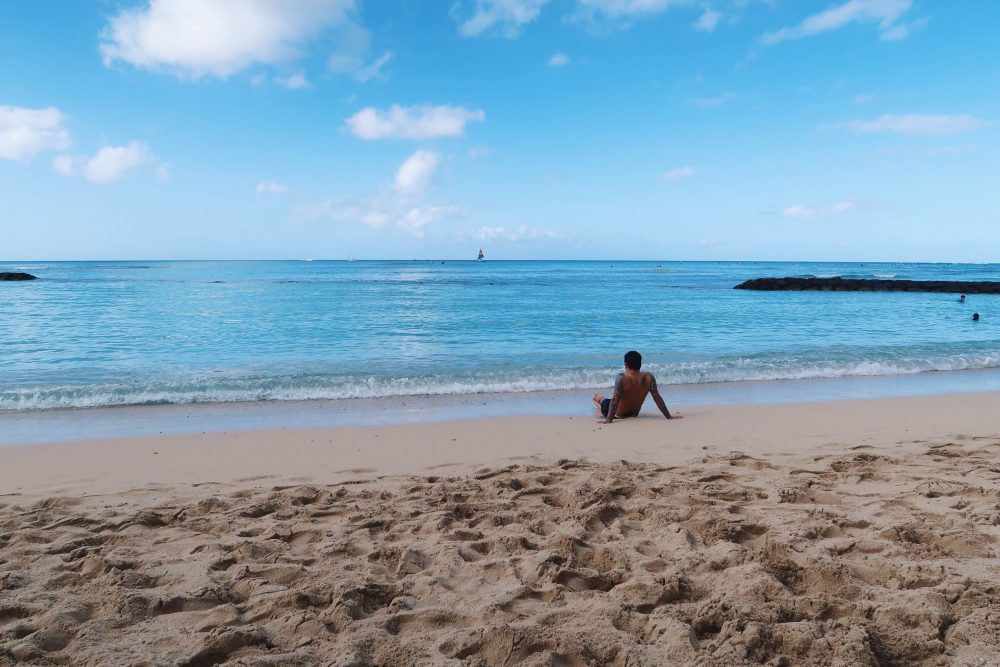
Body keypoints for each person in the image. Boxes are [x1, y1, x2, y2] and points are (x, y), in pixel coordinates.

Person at [592, 350, 680, 423]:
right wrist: (669, 417)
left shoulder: (621, 378)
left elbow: (614, 401)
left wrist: (608, 421)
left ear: (625, 365)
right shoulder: (649, 377)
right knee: (608, 401)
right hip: (634, 414)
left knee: (604, 401)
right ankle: (597, 400)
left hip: (617, 416)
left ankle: (597, 398)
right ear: (640, 365)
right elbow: (657, 398)